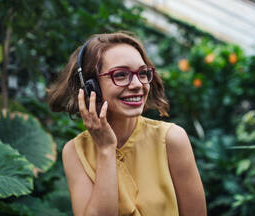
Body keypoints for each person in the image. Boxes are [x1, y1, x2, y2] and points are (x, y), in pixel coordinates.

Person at [47, 32, 206, 216]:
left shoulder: (171, 139)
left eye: (142, 73)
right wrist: (106, 149)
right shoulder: (75, 151)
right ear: (91, 86)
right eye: (121, 75)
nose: (138, 84)